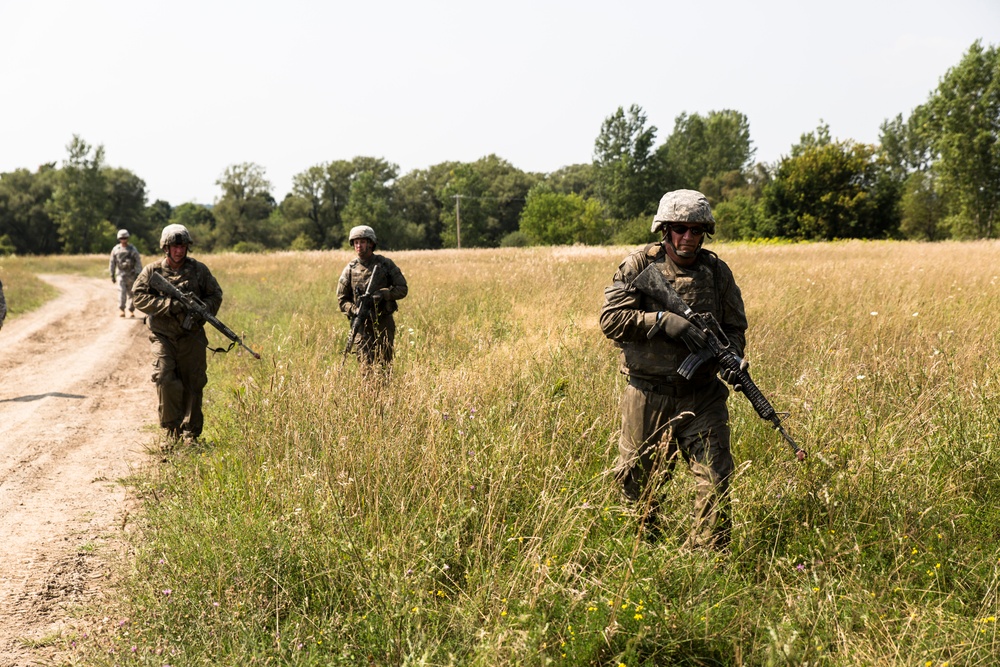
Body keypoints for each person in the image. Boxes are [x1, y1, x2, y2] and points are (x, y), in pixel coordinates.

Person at [599, 189, 748, 550]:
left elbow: (734, 326)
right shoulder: (638, 266)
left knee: (715, 480)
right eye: (679, 229)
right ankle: (644, 553)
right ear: (664, 230)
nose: (687, 238)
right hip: (648, 394)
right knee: (638, 482)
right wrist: (662, 320)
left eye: (696, 230)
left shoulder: (715, 272)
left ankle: (707, 560)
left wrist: (732, 358)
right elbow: (610, 320)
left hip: (702, 395)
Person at [133, 224, 223, 445]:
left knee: (194, 382)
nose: (179, 251)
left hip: (191, 336)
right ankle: (171, 430)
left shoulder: (200, 270)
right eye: (174, 246)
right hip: (162, 336)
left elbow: (215, 294)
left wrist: (201, 310)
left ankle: (190, 433)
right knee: (164, 377)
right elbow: (138, 297)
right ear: (166, 247)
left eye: (182, 246)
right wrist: (168, 305)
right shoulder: (152, 271)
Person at [336, 225, 408, 371]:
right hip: (362, 326)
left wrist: (384, 294)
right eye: (356, 242)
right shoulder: (350, 269)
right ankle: (369, 393)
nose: (358, 245)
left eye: (362, 242)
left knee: (385, 366)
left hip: (383, 323)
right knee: (365, 368)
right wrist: (355, 310)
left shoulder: (385, 265)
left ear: (371, 243)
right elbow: (342, 299)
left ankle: (386, 393)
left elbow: (402, 289)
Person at [109, 229, 142, 317]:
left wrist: (139, 273)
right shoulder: (116, 249)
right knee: (121, 292)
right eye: (122, 238)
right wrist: (112, 274)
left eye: (125, 238)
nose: (123, 240)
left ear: (127, 238)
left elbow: (138, 262)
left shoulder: (132, 249)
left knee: (132, 293)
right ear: (119, 239)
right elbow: (112, 262)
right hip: (121, 274)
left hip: (131, 274)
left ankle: (131, 310)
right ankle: (121, 309)